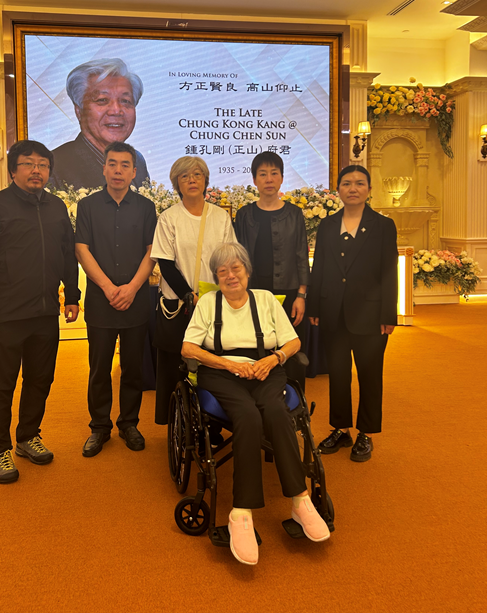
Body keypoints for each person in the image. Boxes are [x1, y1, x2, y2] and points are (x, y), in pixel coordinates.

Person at [182, 242, 330, 566]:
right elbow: (188, 349)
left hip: (266, 368)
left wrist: (274, 359)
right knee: (247, 416)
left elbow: (294, 341)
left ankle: (300, 501)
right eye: (222, 271)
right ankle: (241, 513)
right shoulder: (208, 303)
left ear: (247, 271)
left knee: (277, 412)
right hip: (221, 373)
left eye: (236, 268)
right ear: (216, 277)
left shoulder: (265, 300)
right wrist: (228, 364)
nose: (230, 275)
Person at [0, 139, 80, 484]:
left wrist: (72, 295)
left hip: (45, 313)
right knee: (0, 386)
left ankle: (28, 436)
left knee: (40, 380)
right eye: (29, 164)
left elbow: (67, 253)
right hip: (7, 315)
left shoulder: (56, 207)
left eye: (43, 165)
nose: (36, 171)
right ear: (13, 170)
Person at [307, 165, 398, 462]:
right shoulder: (327, 225)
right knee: (338, 375)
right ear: (339, 190)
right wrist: (315, 307)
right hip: (332, 313)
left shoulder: (383, 226)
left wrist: (388, 315)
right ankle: (341, 429)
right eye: (346, 183)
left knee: (370, 376)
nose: (353, 188)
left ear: (369, 189)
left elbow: (389, 272)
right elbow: (319, 267)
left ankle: (366, 433)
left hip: (371, 315)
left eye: (359, 183)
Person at [75, 141, 157, 454]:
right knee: (99, 369)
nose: (118, 171)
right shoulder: (88, 206)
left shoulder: (146, 208)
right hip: (101, 301)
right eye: (112, 164)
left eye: (125, 165)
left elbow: (152, 251)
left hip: (136, 300)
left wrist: (132, 288)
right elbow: (81, 249)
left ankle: (129, 423)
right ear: (104, 168)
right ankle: (99, 427)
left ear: (134, 172)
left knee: (133, 368)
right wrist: (109, 288)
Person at [151, 156, 235, 426]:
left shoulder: (220, 217)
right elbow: (165, 263)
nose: (192, 180)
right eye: (185, 176)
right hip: (179, 305)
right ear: (177, 182)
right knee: (177, 365)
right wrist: (189, 295)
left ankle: (212, 422)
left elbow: (229, 259)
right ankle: (179, 424)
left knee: (212, 365)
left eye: (197, 175)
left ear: (205, 180)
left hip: (213, 304)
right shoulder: (169, 218)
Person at [234, 151, 309, 389]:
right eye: (263, 174)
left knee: (288, 348)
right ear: (254, 180)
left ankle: (293, 400)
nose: (269, 179)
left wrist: (301, 295)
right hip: (253, 293)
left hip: (288, 292)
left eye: (274, 173)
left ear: (282, 178)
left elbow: (301, 254)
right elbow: (238, 256)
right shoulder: (244, 215)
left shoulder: (294, 214)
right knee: (255, 346)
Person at [49, 58, 149, 190]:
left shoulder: (137, 160)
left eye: (125, 101)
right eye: (102, 100)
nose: (116, 111)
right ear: (79, 111)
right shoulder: (53, 166)